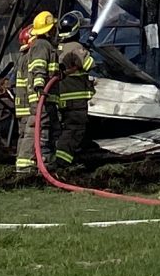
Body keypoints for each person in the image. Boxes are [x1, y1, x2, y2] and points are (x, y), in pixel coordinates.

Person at [41, 11, 99, 175]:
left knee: (63, 129)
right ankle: (62, 163)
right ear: (76, 30)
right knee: (74, 130)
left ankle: (57, 158)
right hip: (75, 98)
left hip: (61, 97)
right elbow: (89, 64)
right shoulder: (75, 47)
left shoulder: (57, 47)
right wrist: (86, 52)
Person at [13, 10, 55, 173]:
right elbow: (39, 68)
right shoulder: (42, 46)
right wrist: (40, 87)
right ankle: (26, 168)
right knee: (36, 132)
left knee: (34, 132)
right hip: (40, 98)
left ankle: (40, 164)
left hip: (35, 100)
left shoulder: (32, 50)